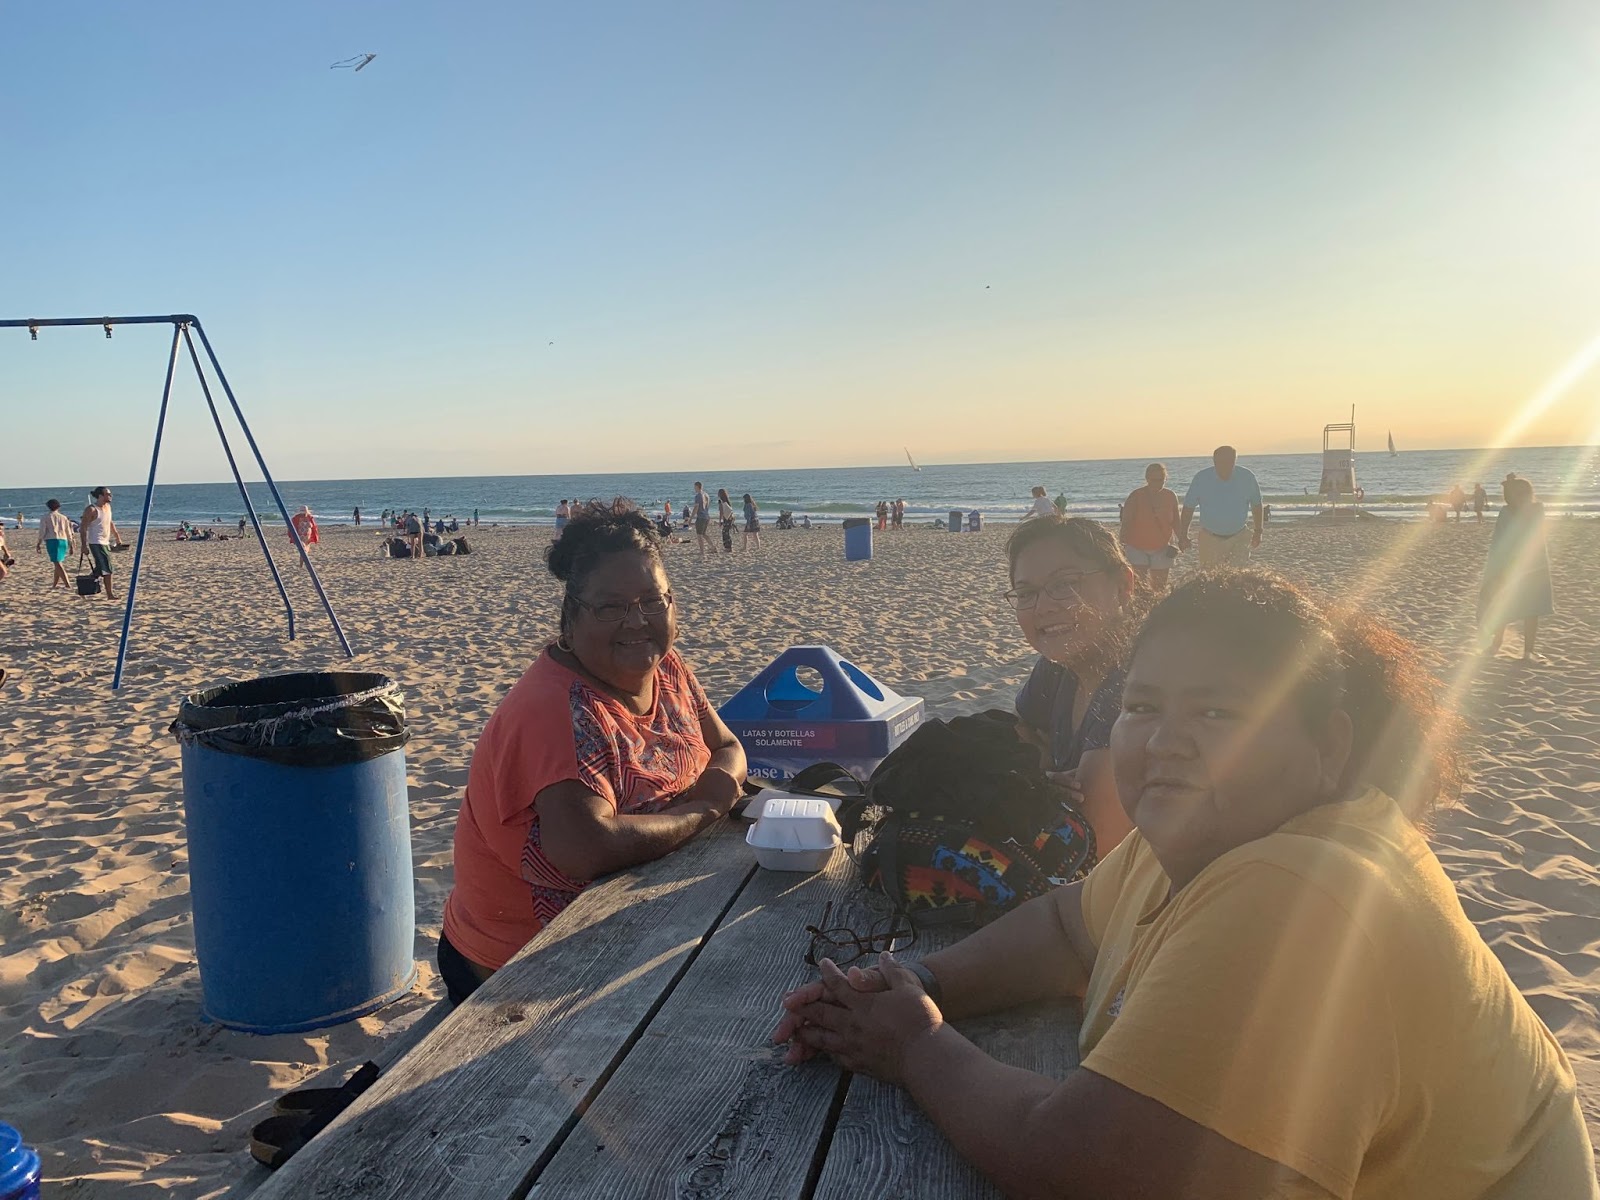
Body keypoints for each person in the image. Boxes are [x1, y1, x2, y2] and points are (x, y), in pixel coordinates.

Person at [774, 572, 1597, 1198]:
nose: (1165, 740)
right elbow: (1067, 928)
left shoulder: (1303, 887)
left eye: (1217, 714)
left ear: (1328, 747)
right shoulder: (1203, 833)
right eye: (1142, 706)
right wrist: (922, 981)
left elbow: (1082, 1163)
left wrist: (915, 1043)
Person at [438, 499, 747, 1005]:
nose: (637, 621)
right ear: (571, 618)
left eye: (654, 601)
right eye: (611, 607)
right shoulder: (553, 708)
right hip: (520, 966)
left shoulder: (667, 668)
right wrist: (706, 806)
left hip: (639, 915)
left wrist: (719, 780)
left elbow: (728, 747)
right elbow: (587, 847)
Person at [1007, 515, 1140, 856]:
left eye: (1065, 583)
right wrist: (1042, 780)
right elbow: (1016, 732)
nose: (1043, 607)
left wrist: (1030, 781)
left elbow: (1089, 847)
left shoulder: (1137, 682)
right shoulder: (1058, 666)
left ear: (1122, 585)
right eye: (1026, 593)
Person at [1478, 476, 1553, 662]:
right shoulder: (1524, 511)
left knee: (1524, 608)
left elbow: (1504, 540)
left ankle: (1517, 649)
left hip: (1527, 566)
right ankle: (1506, 647)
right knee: (1515, 606)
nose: (1521, 497)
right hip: (1523, 565)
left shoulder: (1530, 510)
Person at [1177, 445, 1262, 568]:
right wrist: (1183, 535)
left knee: (1238, 574)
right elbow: (1188, 508)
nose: (1226, 465)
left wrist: (1258, 531)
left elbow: (1256, 505)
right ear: (1214, 461)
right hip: (1210, 537)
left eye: (1230, 461)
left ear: (1235, 460)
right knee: (1210, 574)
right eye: (1222, 462)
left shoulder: (1247, 477)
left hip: (1239, 535)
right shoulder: (1201, 478)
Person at [1118, 463, 1180, 592]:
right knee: (1139, 587)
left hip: (1162, 546)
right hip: (1136, 546)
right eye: (1154, 480)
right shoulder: (1136, 496)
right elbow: (1126, 521)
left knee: (1159, 587)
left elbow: (1176, 521)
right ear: (1147, 479)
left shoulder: (1170, 496)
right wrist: (1121, 543)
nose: (1158, 483)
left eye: (1161, 480)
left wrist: (1183, 538)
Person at [80, 487, 120, 601]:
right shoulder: (91, 509)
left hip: (105, 541)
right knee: (107, 568)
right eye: (108, 494)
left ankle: (82, 589)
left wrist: (117, 536)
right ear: (100, 496)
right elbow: (83, 528)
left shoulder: (107, 507)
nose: (110, 496)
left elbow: (110, 522)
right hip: (96, 542)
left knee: (99, 569)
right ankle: (110, 595)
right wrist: (84, 545)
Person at [36, 499, 73, 590]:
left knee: (57, 563)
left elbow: (42, 531)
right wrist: (71, 543)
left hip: (52, 540)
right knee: (57, 562)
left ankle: (67, 584)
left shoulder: (45, 517)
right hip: (63, 540)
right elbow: (68, 531)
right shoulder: (63, 517)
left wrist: (39, 542)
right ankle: (55, 584)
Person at [691, 483, 712, 558]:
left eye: (694, 487)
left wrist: (691, 518)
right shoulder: (706, 495)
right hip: (706, 516)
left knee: (699, 535)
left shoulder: (698, 496)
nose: (694, 488)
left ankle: (702, 551)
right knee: (703, 534)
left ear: (697, 487)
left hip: (701, 517)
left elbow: (696, 507)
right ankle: (712, 546)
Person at [717, 488, 735, 553]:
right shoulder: (727, 501)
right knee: (727, 532)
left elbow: (721, 512)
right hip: (730, 518)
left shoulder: (721, 502)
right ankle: (729, 547)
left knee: (725, 533)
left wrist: (720, 521)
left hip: (726, 519)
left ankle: (727, 547)